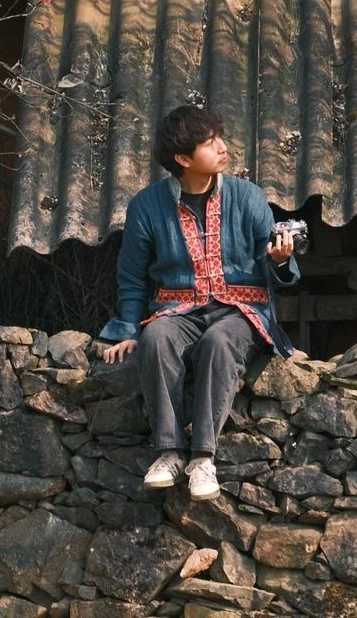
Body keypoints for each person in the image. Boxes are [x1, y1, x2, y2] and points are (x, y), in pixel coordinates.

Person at [98, 103, 301, 501]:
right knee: (155, 336)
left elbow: (278, 268)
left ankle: (203, 458)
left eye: (219, 138)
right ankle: (169, 452)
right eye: (210, 143)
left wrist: (280, 259)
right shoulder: (146, 206)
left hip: (240, 310)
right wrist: (126, 328)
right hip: (178, 311)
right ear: (183, 159)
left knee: (220, 341)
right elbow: (132, 276)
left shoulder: (249, 197)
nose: (223, 148)